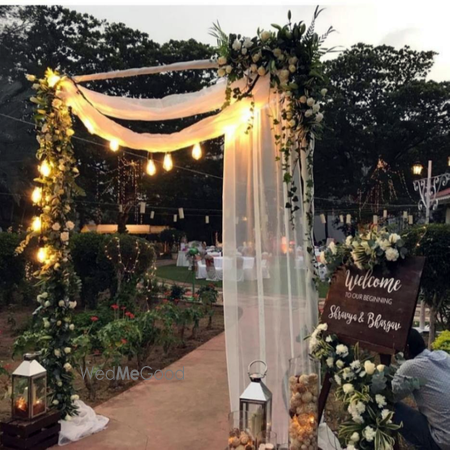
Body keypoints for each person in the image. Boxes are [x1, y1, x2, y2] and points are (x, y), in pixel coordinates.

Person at [392, 329, 450, 450]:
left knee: (387, 406)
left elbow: (390, 395)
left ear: (406, 349)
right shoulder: (443, 356)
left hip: (443, 440)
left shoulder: (411, 367)